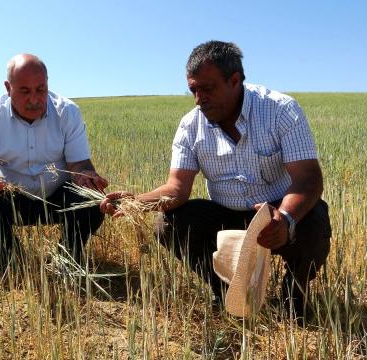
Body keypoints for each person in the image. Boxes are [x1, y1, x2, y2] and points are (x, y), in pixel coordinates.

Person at [100, 41, 331, 321]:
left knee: (315, 221)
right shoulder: (190, 126)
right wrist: (135, 202)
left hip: (275, 212)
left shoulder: (280, 110)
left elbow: (308, 180)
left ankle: (293, 295)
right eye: (193, 90)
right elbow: (176, 189)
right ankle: (224, 291)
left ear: (235, 80)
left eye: (207, 88)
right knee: (168, 225)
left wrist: (285, 219)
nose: (199, 99)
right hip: (226, 218)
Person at [0, 54, 108, 275]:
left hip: (57, 197)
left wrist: (86, 177)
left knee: (92, 201)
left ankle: (65, 259)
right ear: (8, 87)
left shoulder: (67, 111)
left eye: (41, 89)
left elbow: (80, 164)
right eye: (24, 91)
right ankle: (12, 262)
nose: (34, 99)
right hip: (10, 197)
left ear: (48, 84)